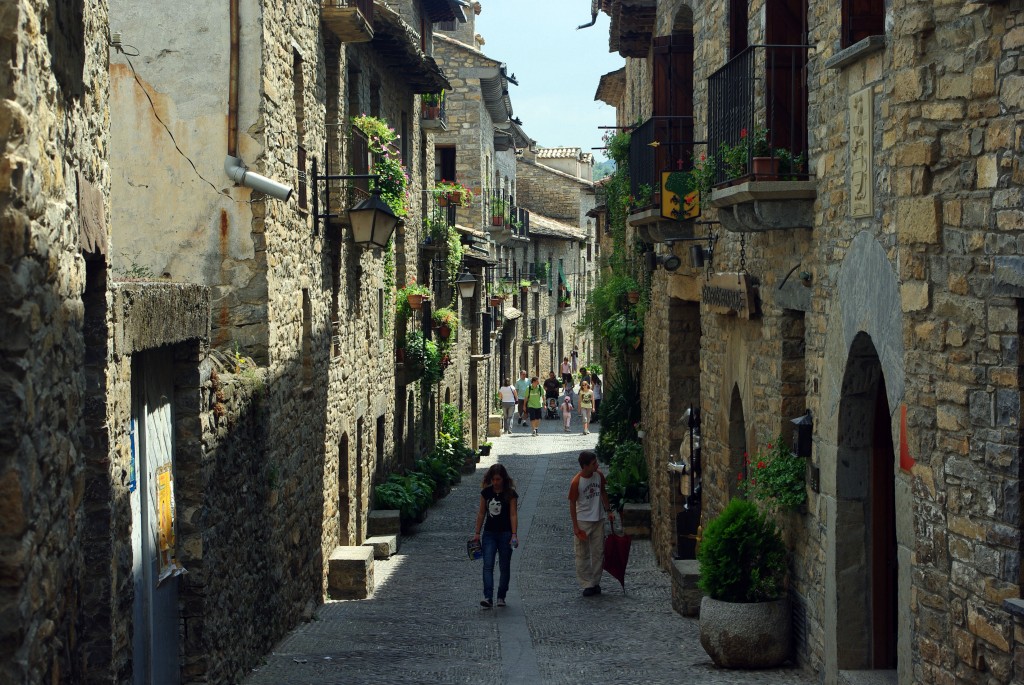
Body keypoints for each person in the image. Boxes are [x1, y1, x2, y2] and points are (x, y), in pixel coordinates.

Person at [472, 464, 519, 608]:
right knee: (488, 565)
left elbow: (513, 514)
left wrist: (514, 534)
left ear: (503, 479)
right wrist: (477, 533)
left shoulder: (510, 494)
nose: (496, 482)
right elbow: (481, 513)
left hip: (505, 534)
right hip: (489, 534)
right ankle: (488, 596)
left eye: (498, 479)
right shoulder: (486, 493)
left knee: (504, 567)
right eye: (493, 479)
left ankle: (501, 596)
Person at [568, 450, 613, 597]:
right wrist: (575, 526)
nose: (597, 465)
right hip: (583, 521)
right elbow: (572, 504)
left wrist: (608, 510)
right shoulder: (576, 482)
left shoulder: (598, 475)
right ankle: (587, 583)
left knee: (598, 552)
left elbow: (603, 492)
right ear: (585, 466)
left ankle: (595, 582)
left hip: (598, 519)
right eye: (594, 463)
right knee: (582, 554)